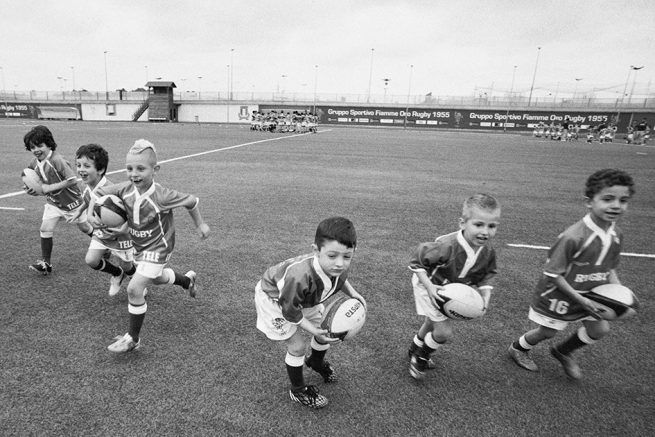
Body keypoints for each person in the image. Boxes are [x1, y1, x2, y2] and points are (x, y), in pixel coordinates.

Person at [508, 169, 635, 380]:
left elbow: (610, 267)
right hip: (559, 295)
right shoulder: (573, 237)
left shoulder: (616, 234)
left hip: (593, 295)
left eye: (623, 200)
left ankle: (563, 351)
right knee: (547, 332)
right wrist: (581, 300)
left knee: (599, 330)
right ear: (589, 202)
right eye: (607, 199)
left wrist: (620, 298)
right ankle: (518, 348)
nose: (616, 205)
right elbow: (553, 274)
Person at [88, 139, 210, 353]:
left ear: (155, 170)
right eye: (129, 168)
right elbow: (98, 193)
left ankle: (132, 339)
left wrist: (200, 224)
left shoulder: (162, 196)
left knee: (134, 288)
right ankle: (186, 281)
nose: (134, 174)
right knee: (156, 278)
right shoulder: (125, 189)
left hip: (159, 247)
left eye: (140, 169)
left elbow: (191, 201)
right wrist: (91, 214)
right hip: (140, 247)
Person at [254, 217, 366, 409]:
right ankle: (298, 390)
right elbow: (290, 311)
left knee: (326, 330)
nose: (339, 263)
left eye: (347, 257)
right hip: (276, 300)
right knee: (298, 346)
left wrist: (353, 293)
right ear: (316, 250)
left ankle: (315, 361)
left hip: (303, 297)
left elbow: (341, 278)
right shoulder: (299, 277)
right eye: (332, 256)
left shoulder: (335, 265)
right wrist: (312, 330)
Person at [407, 194, 500, 380]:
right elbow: (417, 261)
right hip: (428, 286)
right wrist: (430, 287)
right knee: (443, 332)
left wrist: (485, 297)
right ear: (462, 223)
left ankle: (414, 348)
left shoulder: (488, 251)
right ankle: (421, 357)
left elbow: (487, 275)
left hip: (448, 290)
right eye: (478, 224)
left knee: (431, 323)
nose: (485, 232)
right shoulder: (447, 245)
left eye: (492, 226)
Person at [22, 125, 93, 275]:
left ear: (49, 144)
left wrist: (49, 188)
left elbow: (72, 180)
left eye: (40, 145)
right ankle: (46, 264)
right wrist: (30, 189)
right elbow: (32, 180)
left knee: (85, 228)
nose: (36, 150)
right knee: (45, 229)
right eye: (32, 147)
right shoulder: (34, 163)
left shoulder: (57, 160)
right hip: (53, 203)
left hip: (72, 202)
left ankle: (104, 246)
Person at [74, 144, 136, 296]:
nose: (81, 169)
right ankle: (117, 273)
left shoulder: (112, 191)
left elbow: (132, 211)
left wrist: (124, 228)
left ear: (100, 170)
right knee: (91, 260)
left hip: (120, 235)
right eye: (78, 165)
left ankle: (136, 283)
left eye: (86, 166)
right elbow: (89, 199)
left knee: (127, 266)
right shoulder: (87, 185)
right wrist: (80, 210)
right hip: (101, 233)